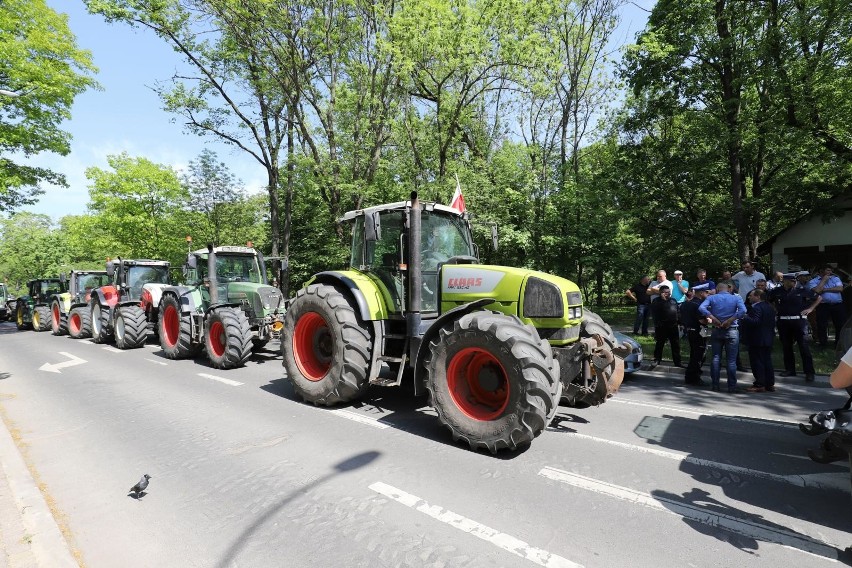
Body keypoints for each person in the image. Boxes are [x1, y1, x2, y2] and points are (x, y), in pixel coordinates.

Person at [767, 273, 821, 382]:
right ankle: (790, 369)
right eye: (791, 281)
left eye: (794, 280)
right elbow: (768, 299)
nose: (794, 282)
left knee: (804, 347)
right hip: (783, 321)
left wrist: (810, 309)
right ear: (785, 281)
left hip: (798, 321)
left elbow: (818, 298)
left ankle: (809, 372)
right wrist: (774, 309)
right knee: (786, 347)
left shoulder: (801, 290)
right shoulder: (777, 291)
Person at [699, 282, 746, 393]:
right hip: (731, 330)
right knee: (731, 361)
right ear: (728, 289)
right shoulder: (736, 298)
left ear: (717, 289)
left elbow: (701, 308)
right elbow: (743, 310)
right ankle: (732, 387)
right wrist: (730, 320)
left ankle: (715, 385)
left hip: (717, 329)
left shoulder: (712, 298)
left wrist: (712, 318)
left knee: (715, 358)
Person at [740, 289, 777, 392]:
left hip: (757, 339)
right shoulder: (770, 307)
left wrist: (744, 317)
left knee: (757, 362)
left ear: (758, 297)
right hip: (767, 338)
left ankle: (759, 384)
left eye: (751, 295)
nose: (749, 297)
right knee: (767, 362)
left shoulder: (757, 308)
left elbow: (755, 321)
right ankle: (769, 383)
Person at [808, 265, 846, 349]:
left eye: (831, 270)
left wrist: (824, 290)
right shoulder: (813, 281)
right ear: (821, 271)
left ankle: (838, 343)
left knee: (839, 325)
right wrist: (824, 280)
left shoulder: (835, 278)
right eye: (828, 270)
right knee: (822, 325)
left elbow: (840, 289)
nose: (830, 272)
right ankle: (823, 343)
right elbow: (817, 291)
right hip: (822, 305)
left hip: (837, 305)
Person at [680, 283, 712, 386]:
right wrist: (710, 320)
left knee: (693, 354)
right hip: (699, 332)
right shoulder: (699, 305)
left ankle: (689, 376)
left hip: (689, 331)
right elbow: (702, 320)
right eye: (707, 293)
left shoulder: (686, 303)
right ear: (702, 293)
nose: (708, 295)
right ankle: (693, 377)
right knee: (698, 356)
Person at [650, 285, 681, 368]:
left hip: (673, 326)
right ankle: (657, 359)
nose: (668, 294)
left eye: (669, 292)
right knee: (660, 344)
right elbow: (655, 312)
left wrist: (680, 322)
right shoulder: (656, 301)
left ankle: (677, 362)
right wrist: (663, 300)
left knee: (675, 344)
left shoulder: (673, 300)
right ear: (661, 293)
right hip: (661, 326)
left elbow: (677, 311)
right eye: (666, 292)